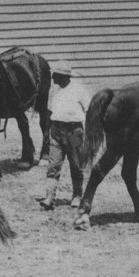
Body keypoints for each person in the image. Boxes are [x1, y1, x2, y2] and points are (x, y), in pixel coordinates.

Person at [40, 61, 92, 211]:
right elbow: (49, 112)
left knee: (76, 165)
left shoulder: (78, 89)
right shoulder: (54, 90)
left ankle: (77, 196)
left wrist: (87, 131)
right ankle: (50, 197)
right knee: (53, 165)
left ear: (64, 76)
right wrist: (46, 132)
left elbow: (89, 109)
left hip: (73, 131)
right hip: (56, 130)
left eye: (55, 75)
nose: (53, 78)